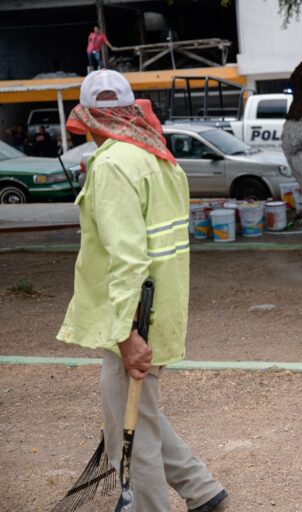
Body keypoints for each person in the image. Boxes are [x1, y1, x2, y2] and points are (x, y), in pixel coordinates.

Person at [57, 70, 229, 512]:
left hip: (133, 319)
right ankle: (201, 489)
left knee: (130, 430)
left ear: (88, 119)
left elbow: (128, 259)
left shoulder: (112, 165)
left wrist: (126, 334)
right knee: (141, 413)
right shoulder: (157, 155)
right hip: (159, 310)